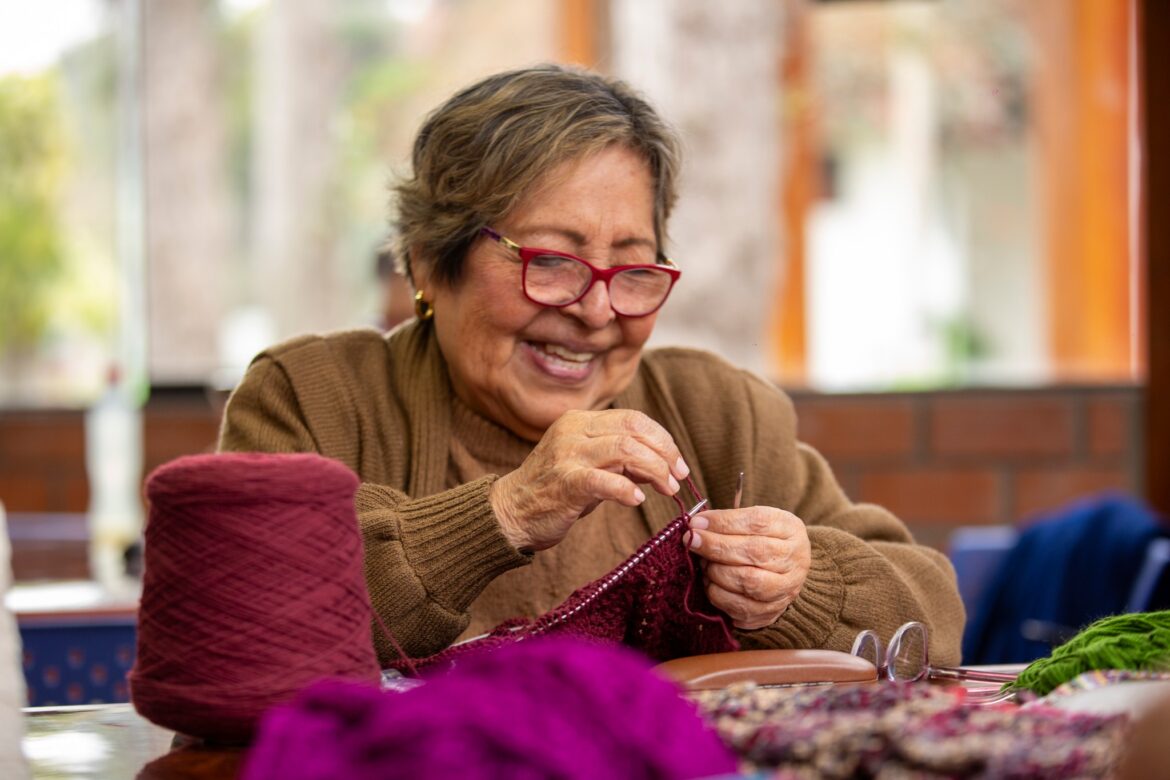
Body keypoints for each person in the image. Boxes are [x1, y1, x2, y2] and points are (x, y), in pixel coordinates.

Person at [218, 64, 966, 665]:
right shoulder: (308, 399)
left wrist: (801, 586)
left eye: (634, 271)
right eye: (552, 262)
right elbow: (252, 624)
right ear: (426, 260)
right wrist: (506, 510)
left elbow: (933, 614)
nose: (597, 312)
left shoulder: (718, 413)